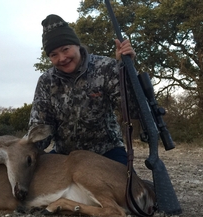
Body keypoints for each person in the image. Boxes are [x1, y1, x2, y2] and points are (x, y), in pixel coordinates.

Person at [28, 14, 136, 166]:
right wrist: (25, 148)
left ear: (77, 45)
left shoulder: (107, 67)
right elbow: (41, 126)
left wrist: (127, 71)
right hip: (63, 155)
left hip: (107, 152)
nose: (62, 58)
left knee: (129, 188)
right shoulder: (46, 81)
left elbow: (132, 110)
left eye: (65, 49)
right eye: (54, 55)